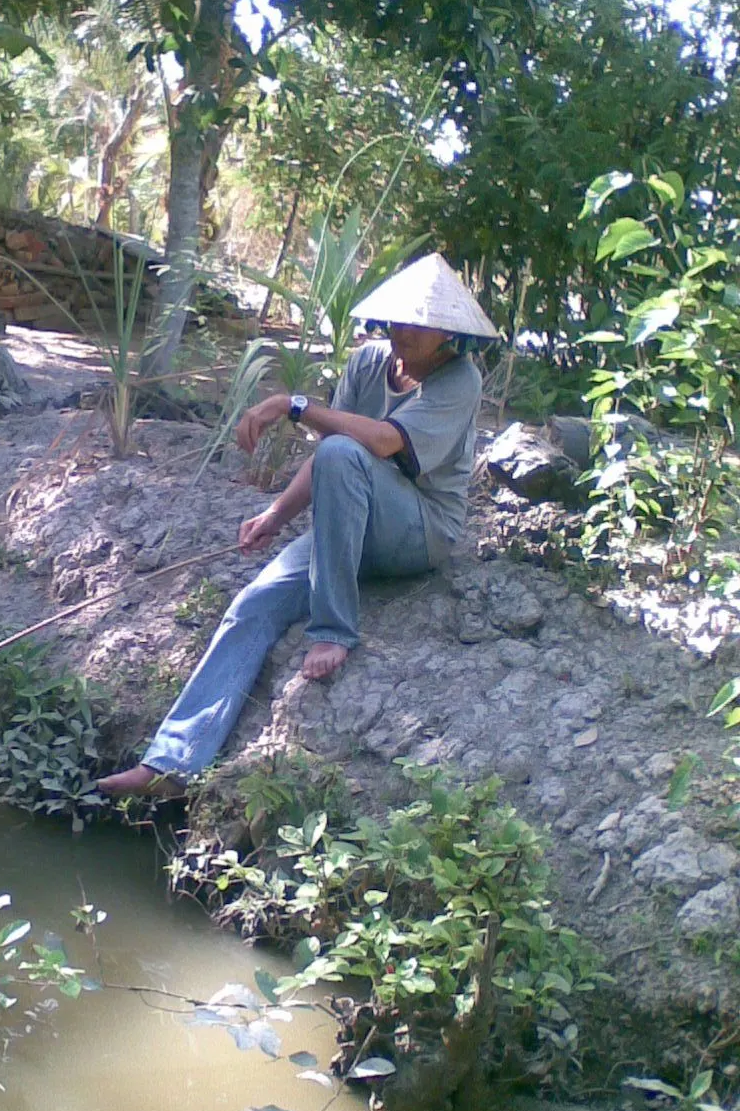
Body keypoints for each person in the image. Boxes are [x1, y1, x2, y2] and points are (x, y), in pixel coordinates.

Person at [98, 253, 497, 799]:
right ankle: (172, 764)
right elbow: (333, 458)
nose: (401, 331)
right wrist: (274, 515)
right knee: (254, 603)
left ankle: (334, 629)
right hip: (351, 524)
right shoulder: (369, 362)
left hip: (419, 532)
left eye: (417, 325)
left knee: (339, 449)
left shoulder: (459, 379)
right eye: (398, 319)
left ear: (447, 334)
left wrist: (293, 404)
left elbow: (378, 443)